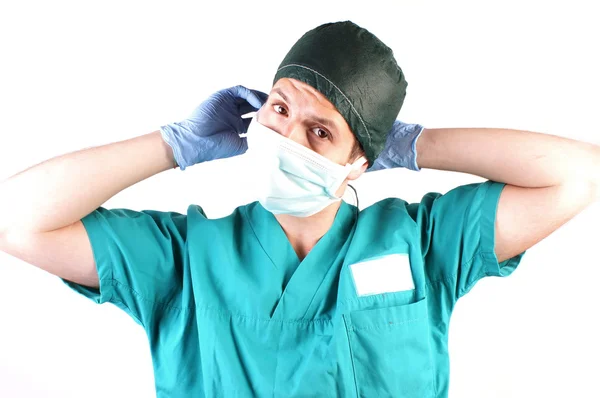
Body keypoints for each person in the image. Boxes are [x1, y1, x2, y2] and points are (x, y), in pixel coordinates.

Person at [0, 20, 598, 398]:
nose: (286, 138)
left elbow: (579, 173)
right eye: (280, 110)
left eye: (320, 133)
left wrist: (418, 147)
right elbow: (14, 218)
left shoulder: (424, 244)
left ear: (358, 161)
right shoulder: (184, 259)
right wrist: (171, 145)